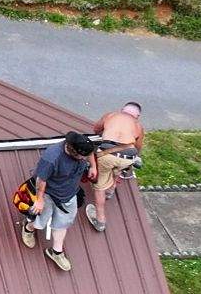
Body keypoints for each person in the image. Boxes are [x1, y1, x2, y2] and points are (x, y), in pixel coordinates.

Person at [22, 130, 99, 273]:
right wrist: (39, 200)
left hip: (69, 194)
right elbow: (41, 179)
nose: (85, 159)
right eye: (82, 157)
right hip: (48, 195)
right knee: (40, 222)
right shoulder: (52, 157)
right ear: (72, 151)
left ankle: (56, 252)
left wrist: (93, 166)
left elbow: (89, 153)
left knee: (63, 223)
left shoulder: (83, 147)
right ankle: (28, 228)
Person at [88, 100, 144, 236]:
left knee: (99, 185)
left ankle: (100, 219)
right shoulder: (138, 126)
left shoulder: (111, 116)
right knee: (118, 167)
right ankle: (111, 189)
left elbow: (96, 129)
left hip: (107, 154)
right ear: (137, 116)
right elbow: (138, 147)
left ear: (122, 110)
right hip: (128, 157)